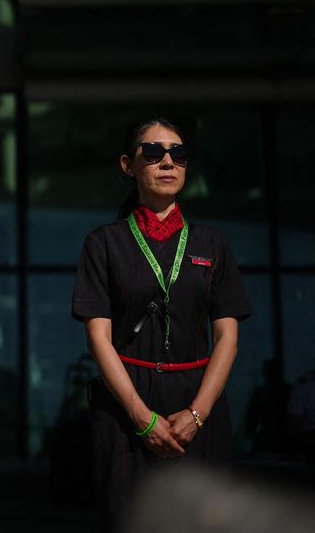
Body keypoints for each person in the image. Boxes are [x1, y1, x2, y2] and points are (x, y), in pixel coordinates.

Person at [71, 117, 251, 532]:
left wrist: (198, 413)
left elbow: (227, 336)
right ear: (127, 166)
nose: (168, 161)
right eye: (153, 152)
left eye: (179, 154)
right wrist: (141, 417)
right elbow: (98, 337)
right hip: (124, 408)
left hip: (199, 404)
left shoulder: (212, 244)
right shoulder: (103, 243)